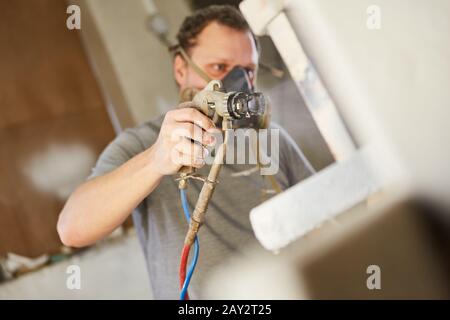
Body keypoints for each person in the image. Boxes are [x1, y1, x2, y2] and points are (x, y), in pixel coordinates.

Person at [57, 5, 314, 299]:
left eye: (248, 71)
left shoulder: (272, 141)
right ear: (181, 69)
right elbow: (72, 228)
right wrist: (156, 161)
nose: (238, 85)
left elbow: (325, 216)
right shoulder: (143, 144)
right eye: (219, 68)